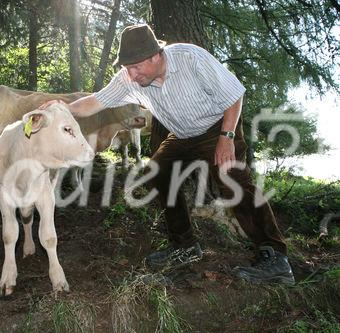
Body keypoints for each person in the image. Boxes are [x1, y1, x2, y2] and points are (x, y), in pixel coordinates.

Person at [46, 24, 295, 284]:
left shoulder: (191, 58)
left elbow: (234, 95)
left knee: (232, 179)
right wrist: (62, 108)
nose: (131, 75)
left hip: (217, 128)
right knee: (157, 172)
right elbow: (95, 101)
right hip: (182, 135)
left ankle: (275, 257)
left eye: (135, 67)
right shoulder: (129, 78)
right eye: (127, 69)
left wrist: (227, 137)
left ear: (155, 56)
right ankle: (185, 246)